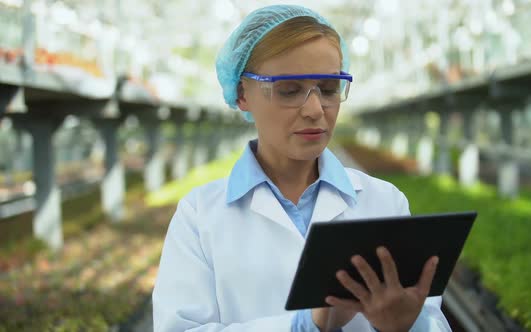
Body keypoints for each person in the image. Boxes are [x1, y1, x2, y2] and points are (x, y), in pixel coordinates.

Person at [152, 4, 452, 332]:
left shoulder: (385, 203)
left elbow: (434, 322)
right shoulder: (199, 216)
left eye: (328, 89)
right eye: (289, 90)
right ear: (242, 95)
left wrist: (409, 325)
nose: (314, 110)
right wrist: (303, 325)